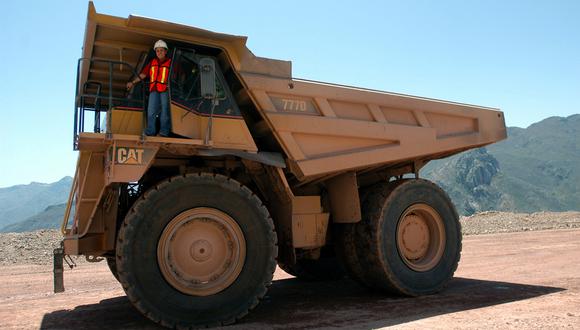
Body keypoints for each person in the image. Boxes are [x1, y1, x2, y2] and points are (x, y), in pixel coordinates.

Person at [127, 40, 172, 137]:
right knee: (151, 111)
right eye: (157, 51)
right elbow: (143, 74)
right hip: (154, 90)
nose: (159, 52)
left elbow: (181, 75)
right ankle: (150, 131)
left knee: (165, 111)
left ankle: (164, 132)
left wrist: (173, 85)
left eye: (161, 50)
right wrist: (133, 82)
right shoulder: (152, 62)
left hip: (165, 90)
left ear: (165, 51)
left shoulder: (170, 63)